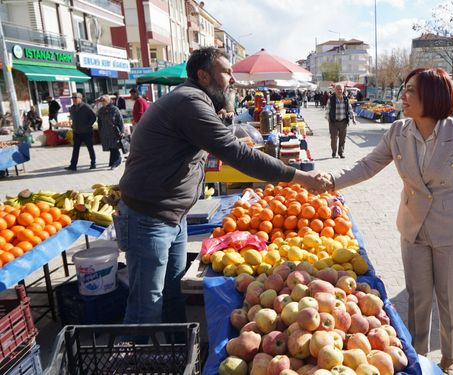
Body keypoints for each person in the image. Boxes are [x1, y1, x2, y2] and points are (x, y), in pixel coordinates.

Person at [115, 47, 325, 326]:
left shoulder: (194, 100)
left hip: (173, 216)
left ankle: (177, 354)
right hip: (148, 217)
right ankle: (138, 361)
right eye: (226, 72)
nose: (232, 79)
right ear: (203, 76)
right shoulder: (188, 102)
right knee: (146, 307)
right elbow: (236, 153)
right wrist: (299, 177)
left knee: (174, 296)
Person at [318, 68, 453, 373]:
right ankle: (419, 358)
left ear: (433, 95)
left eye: (411, 90)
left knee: (451, 300)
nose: (404, 96)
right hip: (413, 227)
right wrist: (332, 180)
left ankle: (450, 359)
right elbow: (369, 164)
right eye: (405, 89)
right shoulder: (398, 132)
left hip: (451, 229)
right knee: (417, 299)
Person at [65, 93, 97, 171]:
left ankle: (93, 163)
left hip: (87, 132)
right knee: (75, 149)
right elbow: (73, 118)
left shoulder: (86, 107)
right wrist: (73, 126)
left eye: (75, 97)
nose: (74, 99)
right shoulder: (72, 108)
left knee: (90, 148)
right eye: (72, 98)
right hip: (76, 132)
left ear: (80, 98)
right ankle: (73, 165)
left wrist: (88, 125)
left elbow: (93, 117)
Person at [326, 84, 357, 158]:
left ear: (343, 90)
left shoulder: (346, 99)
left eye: (341, 89)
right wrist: (329, 120)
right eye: (338, 89)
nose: (339, 91)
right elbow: (327, 110)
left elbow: (350, 109)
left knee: (343, 139)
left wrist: (353, 118)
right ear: (335, 90)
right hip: (333, 122)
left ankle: (341, 153)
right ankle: (334, 152)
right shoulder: (331, 99)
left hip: (343, 122)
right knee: (334, 138)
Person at [96, 95, 124, 170]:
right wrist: (100, 131)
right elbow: (99, 121)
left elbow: (120, 121)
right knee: (111, 147)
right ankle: (112, 162)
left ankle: (116, 162)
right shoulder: (101, 110)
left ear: (109, 100)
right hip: (105, 131)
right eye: (101, 101)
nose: (102, 102)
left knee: (114, 147)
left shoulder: (114, 109)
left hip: (113, 131)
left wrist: (122, 131)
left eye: (104, 100)